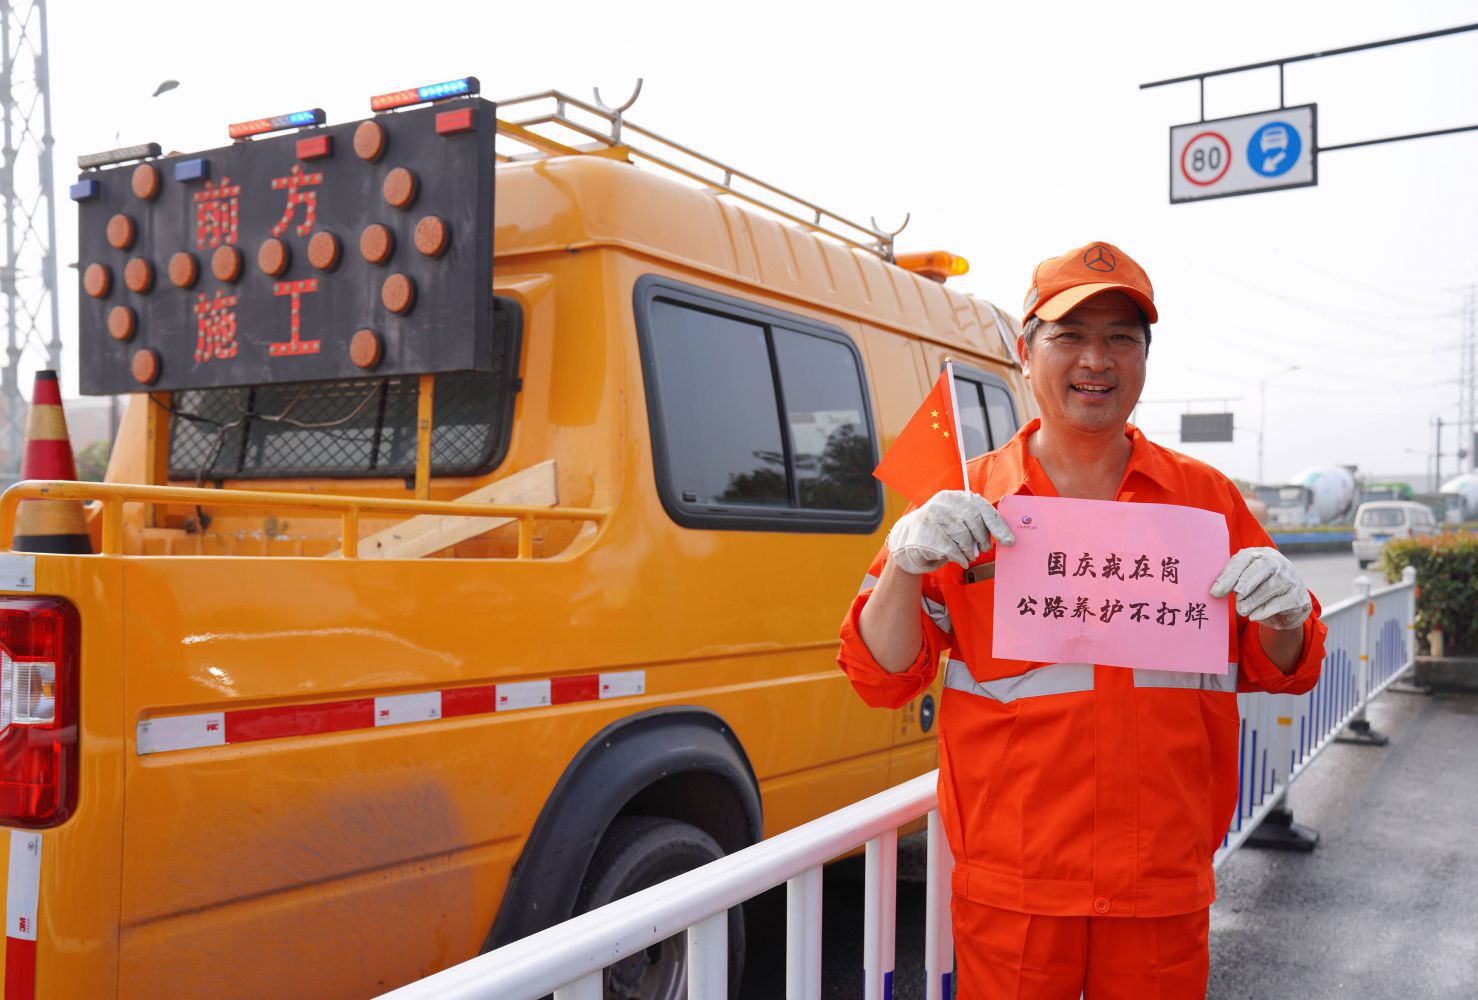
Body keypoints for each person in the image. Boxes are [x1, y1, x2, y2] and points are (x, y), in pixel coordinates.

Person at [837, 241, 1327, 999]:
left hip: (1160, 882)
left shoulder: (1206, 500)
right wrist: (904, 563)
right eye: (1070, 335)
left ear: (1144, 359)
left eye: (1120, 338)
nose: (1096, 360)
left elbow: (1284, 666)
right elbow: (881, 676)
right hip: (1015, 888)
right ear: (1026, 351)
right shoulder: (965, 500)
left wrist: (1287, 612)